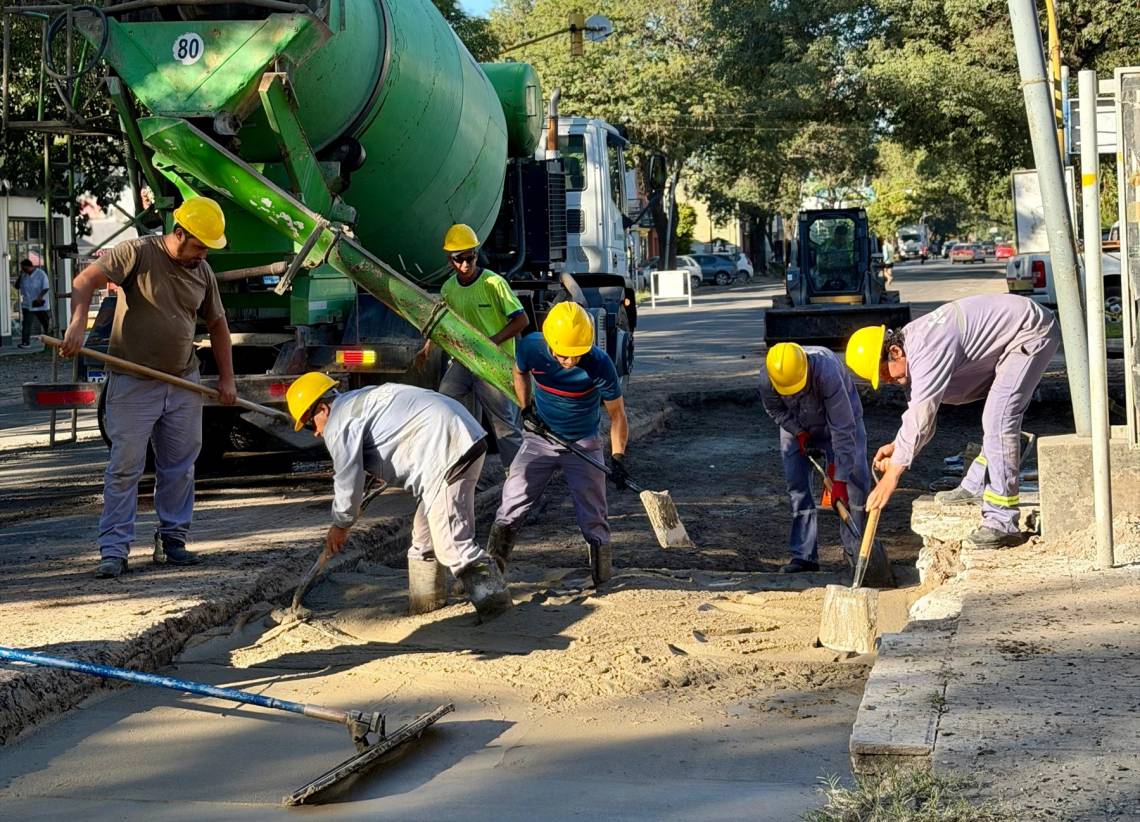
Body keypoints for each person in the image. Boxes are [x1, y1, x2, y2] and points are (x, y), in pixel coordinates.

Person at [61, 196, 237, 579]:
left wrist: (227, 378)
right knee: (125, 467)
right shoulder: (137, 253)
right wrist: (76, 324)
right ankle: (114, 551)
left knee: (180, 468)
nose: (203, 255)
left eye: (208, 249)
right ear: (179, 233)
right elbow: (84, 280)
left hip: (183, 381)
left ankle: (173, 540)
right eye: (199, 246)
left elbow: (218, 325)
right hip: (134, 382)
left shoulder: (203, 272)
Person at [285, 373, 512, 621]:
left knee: (452, 545)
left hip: (446, 450)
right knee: (423, 540)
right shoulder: (357, 403)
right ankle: (426, 604)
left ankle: (497, 607)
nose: (316, 433)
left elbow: (347, 478)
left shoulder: (339, 423)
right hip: (459, 437)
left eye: (310, 424)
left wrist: (341, 524)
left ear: (322, 408)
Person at [847, 294, 1060, 548]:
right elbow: (922, 415)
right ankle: (976, 484)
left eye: (884, 372)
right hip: (1012, 335)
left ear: (895, 351)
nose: (887, 381)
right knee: (993, 415)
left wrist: (892, 475)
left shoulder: (927, 348)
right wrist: (897, 448)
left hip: (1029, 331)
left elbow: (922, 415)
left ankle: (1002, 522)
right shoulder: (913, 346)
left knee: (998, 418)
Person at [487, 302, 629, 585]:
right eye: (564, 354)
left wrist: (618, 457)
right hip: (541, 438)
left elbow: (617, 416)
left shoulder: (600, 364)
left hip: (583, 443)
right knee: (512, 503)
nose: (571, 361)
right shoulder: (531, 348)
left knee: (593, 514)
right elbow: (519, 372)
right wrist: (525, 408)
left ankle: (602, 580)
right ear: (550, 342)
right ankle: (490, 575)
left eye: (577, 353)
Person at [759, 342, 892, 584]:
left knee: (854, 487)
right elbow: (775, 410)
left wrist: (839, 478)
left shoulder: (827, 371)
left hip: (842, 422)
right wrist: (798, 432)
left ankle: (857, 552)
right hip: (797, 423)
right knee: (797, 487)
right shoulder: (770, 377)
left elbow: (843, 429)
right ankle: (804, 556)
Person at [415, 224, 527, 471]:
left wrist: (491, 343)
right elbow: (443, 323)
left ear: (476, 255)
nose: (466, 264)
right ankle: (462, 461)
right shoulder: (449, 289)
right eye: (460, 259)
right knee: (445, 402)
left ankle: (518, 475)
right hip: (465, 360)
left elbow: (521, 320)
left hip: (493, 363)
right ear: (450, 260)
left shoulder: (493, 284)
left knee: (503, 424)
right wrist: (427, 348)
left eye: (470, 257)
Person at [17, 259, 51, 348]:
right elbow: (17, 286)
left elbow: (46, 287)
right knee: (26, 324)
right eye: (22, 269)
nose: (24, 270)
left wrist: (40, 296)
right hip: (27, 304)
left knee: (45, 323)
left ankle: (50, 341)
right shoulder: (23, 275)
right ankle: (25, 342)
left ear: (30, 266)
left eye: (25, 268)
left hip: (39, 304)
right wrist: (20, 276)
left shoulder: (41, 274)